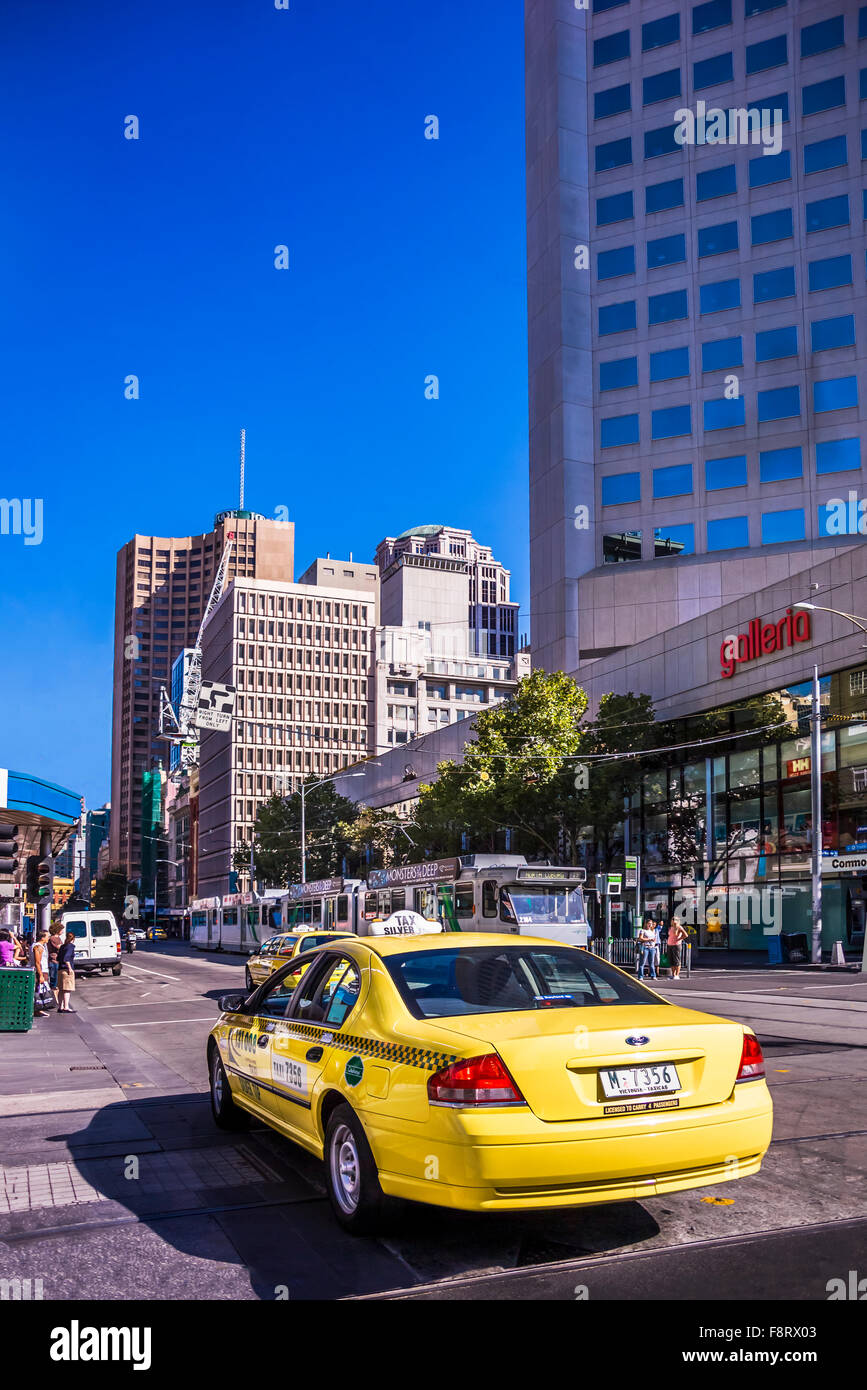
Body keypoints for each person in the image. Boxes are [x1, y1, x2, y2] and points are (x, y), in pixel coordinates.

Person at [30, 929, 51, 1016]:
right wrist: (41, 975)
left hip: (42, 970)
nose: (49, 938)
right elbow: (37, 962)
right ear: (42, 937)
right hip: (41, 971)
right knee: (39, 990)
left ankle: (39, 1009)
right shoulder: (38, 947)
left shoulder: (40, 946)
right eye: (47, 936)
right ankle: (37, 1009)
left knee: (40, 990)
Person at [56, 932, 77, 1013]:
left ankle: (60, 1007)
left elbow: (58, 958)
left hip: (60, 969)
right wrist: (70, 968)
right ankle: (66, 1007)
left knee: (61, 989)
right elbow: (66, 958)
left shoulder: (62, 946)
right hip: (66, 969)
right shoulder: (70, 946)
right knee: (67, 989)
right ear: (73, 939)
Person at [47, 925, 63, 1001]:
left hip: (57, 961)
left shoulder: (58, 938)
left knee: (57, 981)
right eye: (61, 929)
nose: (62, 931)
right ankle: (54, 999)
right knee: (54, 981)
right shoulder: (53, 938)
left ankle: (56, 999)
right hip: (54, 961)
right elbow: (59, 947)